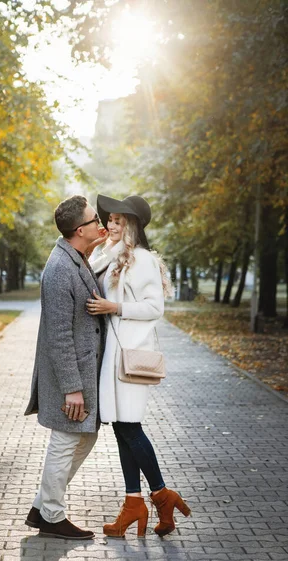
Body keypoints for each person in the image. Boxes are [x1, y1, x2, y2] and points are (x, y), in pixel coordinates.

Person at [86, 193, 191, 537]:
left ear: (131, 224)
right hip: (113, 356)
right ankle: (134, 503)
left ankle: (161, 495)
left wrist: (115, 308)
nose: (110, 225)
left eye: (118, 220)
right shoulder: (109, 258)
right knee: (121, 428)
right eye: (109, 220)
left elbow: (154, 308)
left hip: (130, 356)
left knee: (130, 427)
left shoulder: (142, 259)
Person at [24, 195, 107, 540]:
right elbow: (58, 335)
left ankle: (42, 506)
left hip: (83, 371)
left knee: (85, 436)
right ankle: (52, 516)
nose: (100, 224)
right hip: (70, 377)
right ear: (79, 230)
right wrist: (72, 388)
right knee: (65, 440)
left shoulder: (78, 258)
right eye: (94, 221)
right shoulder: (59, 269)